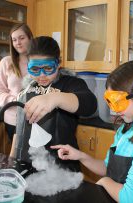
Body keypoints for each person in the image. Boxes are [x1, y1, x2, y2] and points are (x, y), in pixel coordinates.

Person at [51, 61, 133, 203]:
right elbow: (108, 169)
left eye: (118, 102)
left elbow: (130, 198)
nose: (114, 109)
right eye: (110, 101)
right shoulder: (127, 127)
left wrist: (104, 182)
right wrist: (80, 156)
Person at [11, 36, 98, 171]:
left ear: (58, 64)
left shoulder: (70, 84)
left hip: (61, 165)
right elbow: (19, 130)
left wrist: (54, 98)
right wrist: (12, 160)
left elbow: (89, 104)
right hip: (27, 163)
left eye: (48, 68)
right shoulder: (26, 89)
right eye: (35, 69)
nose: (41, 75)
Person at [0, 23, 33, 142]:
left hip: (37, 119)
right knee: (18, 157)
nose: (18, 43)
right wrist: (15, 100)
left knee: (37, 157)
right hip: (13, 120)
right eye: (14, 40)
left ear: (30, 38)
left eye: (22, 38)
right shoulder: (6, 62)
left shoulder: (39, 61)